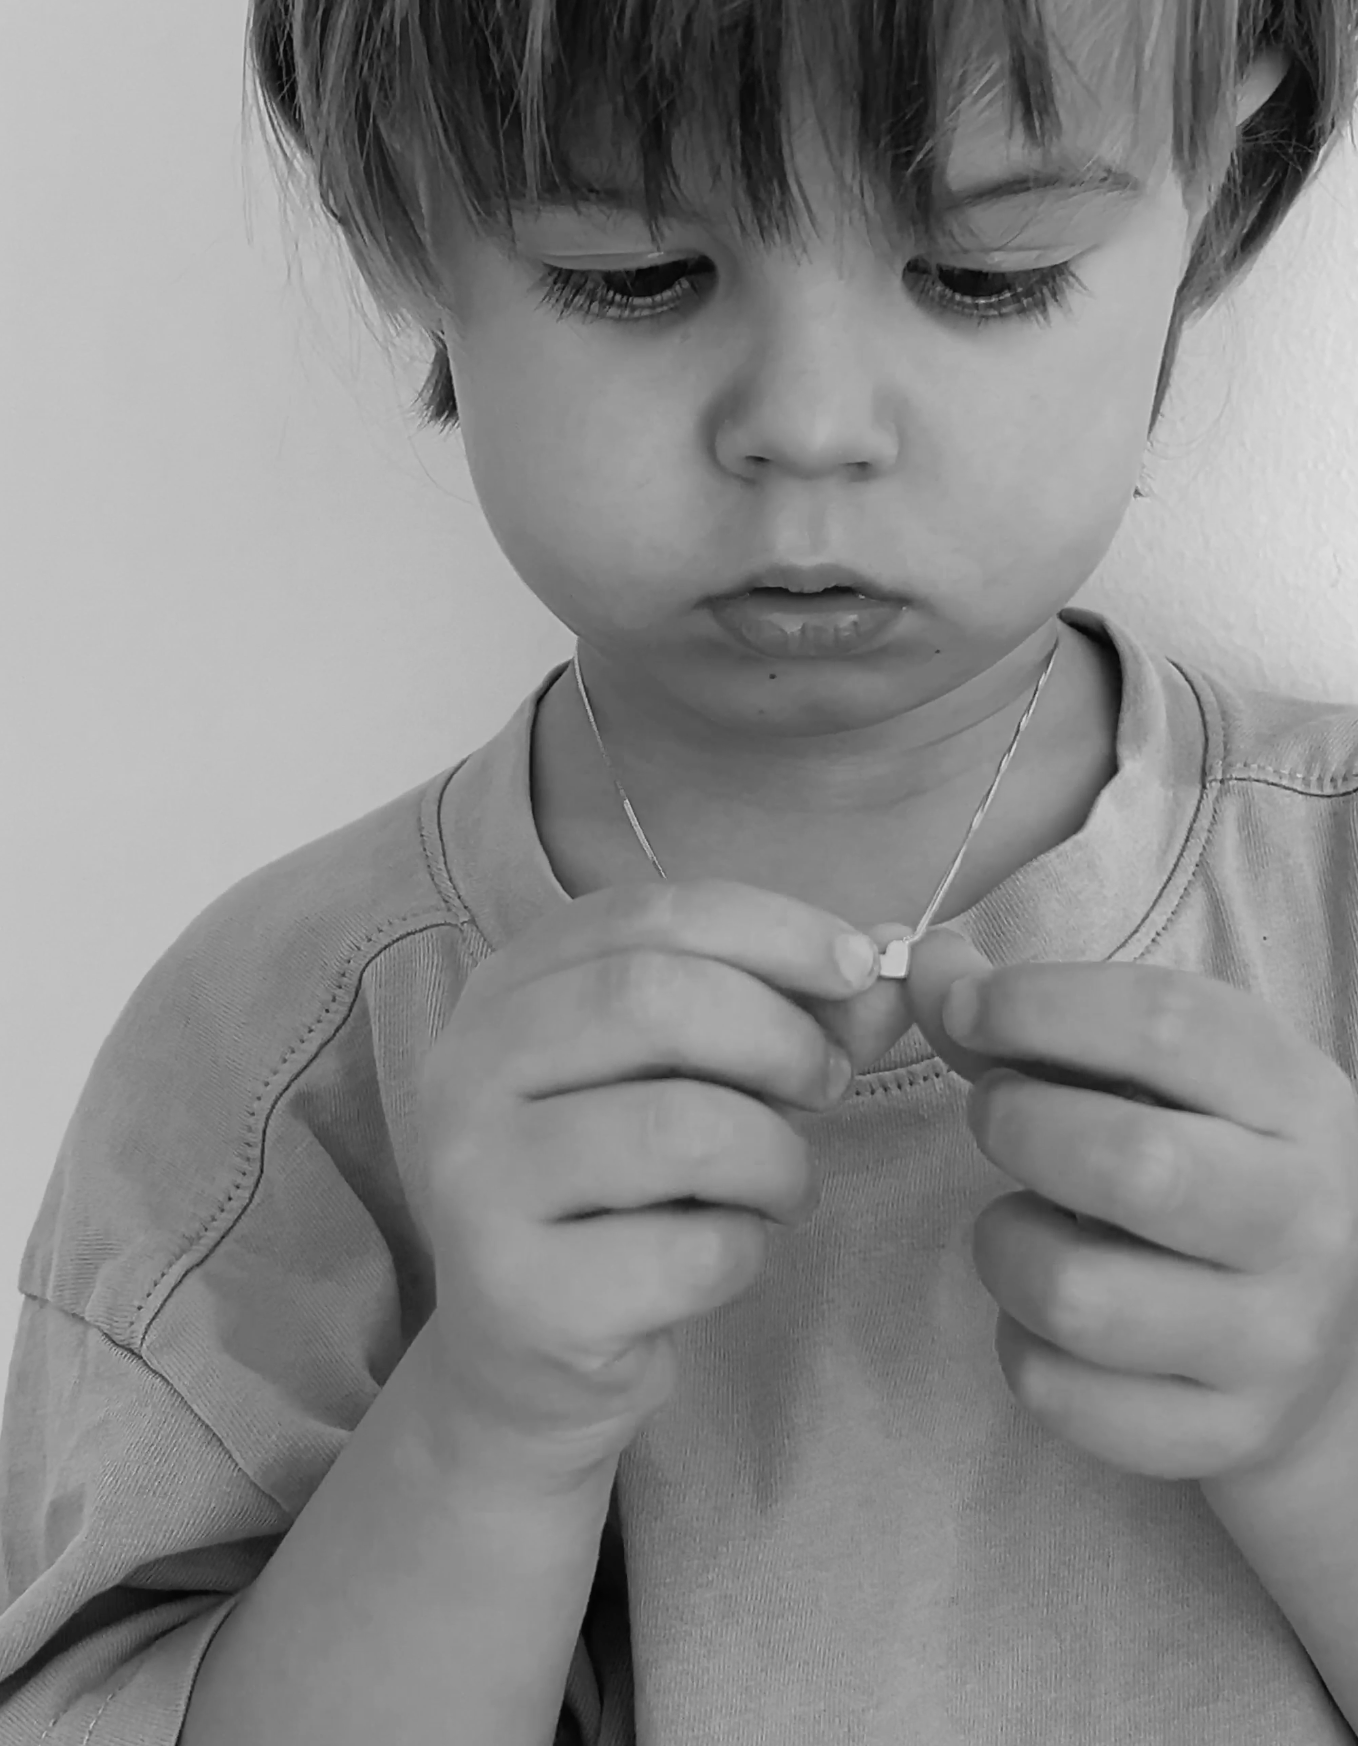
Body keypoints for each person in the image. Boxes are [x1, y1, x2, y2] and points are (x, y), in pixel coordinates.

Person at [4, 0, 1358, 1739]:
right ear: (400, 221)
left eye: (984, 273)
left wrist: (1326, 1422)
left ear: (1226, 188)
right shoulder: (280, 1059)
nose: (807, 427)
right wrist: (485, 1426)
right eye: (636, 273)